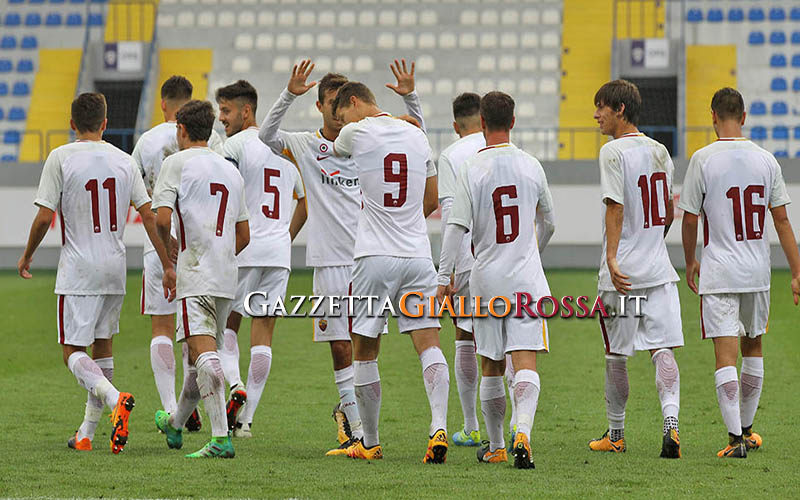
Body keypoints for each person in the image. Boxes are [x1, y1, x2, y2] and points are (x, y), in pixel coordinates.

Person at [258, 59, 427, 454]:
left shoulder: (370, 138)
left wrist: (410, 99)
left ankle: (365, 430)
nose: (339, 111)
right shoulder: (305, 144)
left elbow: (418, 136)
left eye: (342, 102)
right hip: (329, 261)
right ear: (321, 107)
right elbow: (266, 136)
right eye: (331, 103)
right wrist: (287, 95)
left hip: (370, 258)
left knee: (366, 345)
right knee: (339, 346)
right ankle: (352, 427)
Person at [18, 92, 171, 453]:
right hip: (115, 267)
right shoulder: (123, 160)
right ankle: (86, 433)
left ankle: (116, 399)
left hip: (79, 268)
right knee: (103, 348)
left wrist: (27, 256)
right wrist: (166, 262)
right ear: (104, 124)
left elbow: (44, 216)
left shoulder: (61, 157)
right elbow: (148, 215)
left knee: (72, 349)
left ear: (72, 124)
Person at [679, 87, 800, 458]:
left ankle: (734, 441)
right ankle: (747, 431)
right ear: (744, 117)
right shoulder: (766, 160)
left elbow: (689, 219)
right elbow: (781, 220)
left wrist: (690, 260)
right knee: (754, 346)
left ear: (713, 116)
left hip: (719, 270)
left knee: (724, 356)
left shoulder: (702, 159)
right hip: (757, 272)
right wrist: (796, 272)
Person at [437, 91, 555, 469]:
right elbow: (549, 222)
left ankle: (496, 444)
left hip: (486, 278)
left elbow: (455, 226)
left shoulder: (472, 167)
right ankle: (523, 432)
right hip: (526, 278)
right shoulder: (531, 165)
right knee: (525, 361)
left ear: (482, 124)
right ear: (514, 122)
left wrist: (444, 276)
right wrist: (533, 252)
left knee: (490, 362)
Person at [330, 81, 444, 462]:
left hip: (373, 256)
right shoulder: (416, 136)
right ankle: (438, 427)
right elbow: (431, 199)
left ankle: (372, 441)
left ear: (353, 102)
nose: (339, 120)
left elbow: (341, 144)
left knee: (364, 351)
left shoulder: (354, 132)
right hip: (417, 254)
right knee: (429, 344)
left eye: (339, 112)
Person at [587, 80, 683, 459]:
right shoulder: (661, 151)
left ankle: (616, 432)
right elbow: (669, 211)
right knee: (662, 350)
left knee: (616, 354)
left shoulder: (613, 152)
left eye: (600, 108)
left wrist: (613, 258)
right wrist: (653, 244)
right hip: (659, 270)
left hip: (623, 274)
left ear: (619, 110)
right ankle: (671, 424)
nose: (596, 115)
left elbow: (615, 206)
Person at [152, 100, 250, 458]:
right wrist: (220, 255)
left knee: (204, 355)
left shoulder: (175, 163)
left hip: (195, 273)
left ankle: (221, 437)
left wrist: (171, 258)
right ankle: (175, 424)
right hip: (226, 275)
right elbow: (244, 235)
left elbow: (162, 220)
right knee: (196, 358)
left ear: (181, 130)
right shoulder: (230, 171)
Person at [131, 75, 224, 431]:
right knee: (196, 330)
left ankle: (171, 407)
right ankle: (190, 407)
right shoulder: (213, 139)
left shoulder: (147, 141)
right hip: (200, 246)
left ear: (162, 102)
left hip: (160, 243)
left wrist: (162, 247)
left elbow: (141, 200)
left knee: (162, 326)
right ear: (190, 101)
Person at [215, 79, 307, 438]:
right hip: (278, 254)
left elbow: (222, 194)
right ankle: (246, 420)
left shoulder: (235, 145)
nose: (221, 119)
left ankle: (235, 385)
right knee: (264, 334)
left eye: (226, 111)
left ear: (246, 111)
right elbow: (304, 202)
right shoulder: (284, 149)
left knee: (225, 326)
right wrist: (284, 236)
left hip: (245, 247)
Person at [436, 92, 486, 447]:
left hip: (467, 260)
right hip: (509, 258)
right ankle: (516, 425)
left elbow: (452, 218)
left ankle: (471, 426)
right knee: (510, 342)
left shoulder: (451, 156)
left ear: (456, 126)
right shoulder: (508, 150)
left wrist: (447, 270)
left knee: (465, 335)